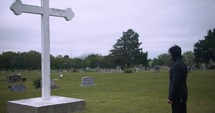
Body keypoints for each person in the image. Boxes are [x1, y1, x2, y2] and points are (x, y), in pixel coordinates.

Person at [168, 45, 188, 113]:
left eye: (170, 54)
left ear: (174, 54)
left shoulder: (177, 65)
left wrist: (171, 97)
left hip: (178, 94)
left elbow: (175, 83)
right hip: (181, 93)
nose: (169, 56)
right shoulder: (180, 63)